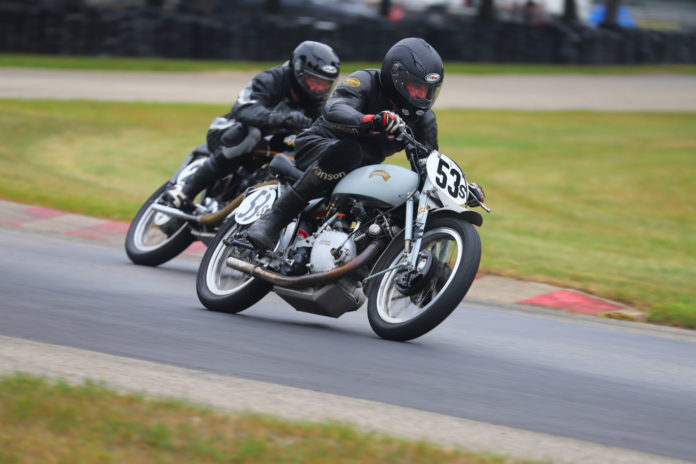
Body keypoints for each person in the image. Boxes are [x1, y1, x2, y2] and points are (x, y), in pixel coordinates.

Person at [246, 37, 452, 251]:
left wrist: (456, 191)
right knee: (349, 151)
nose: (422, 96)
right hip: (317, 145)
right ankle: (271, 221)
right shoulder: (365, 80)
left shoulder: (425, 120)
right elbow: (335, 108)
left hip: (361, 169)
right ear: (397, 78)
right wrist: (372, 120)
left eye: (428, 90)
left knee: (403, 193)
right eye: (415, 87)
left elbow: (428, 164)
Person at [163, 41, 341, 210]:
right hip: (228, 130)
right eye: (315, 81)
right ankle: (186, 191)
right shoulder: (272, 79)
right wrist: (282, 119)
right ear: (299, 72)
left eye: (325, 84)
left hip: (271, 144)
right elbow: (244, 108)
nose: (319, 89)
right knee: (251, 134)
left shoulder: (316, 105)